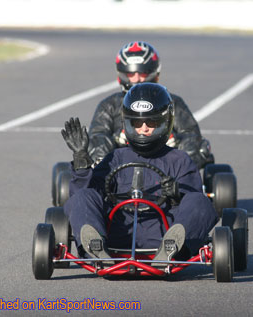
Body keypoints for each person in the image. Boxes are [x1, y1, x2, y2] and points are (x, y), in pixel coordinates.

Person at [62, 83, 218, 261]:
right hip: (117, 235)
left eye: (151, 122)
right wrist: (81, 160)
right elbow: (84, 195)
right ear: (127, 123)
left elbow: (193, 204)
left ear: (165, 123)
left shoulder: (179, 160)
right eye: (137, 123)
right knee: (83, 197)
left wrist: (176, 196)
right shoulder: (116, 157)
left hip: (163, 235)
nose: (143, 129)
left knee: (200, 200)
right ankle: (96, 247)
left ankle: (173, 249)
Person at [87, 41, 213, 169]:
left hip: (166, 168)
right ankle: (104, 179)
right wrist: (118, 138)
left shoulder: (172, 102)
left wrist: (173, 141)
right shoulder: (109, 105)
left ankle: (182, 179)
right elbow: (97, 136)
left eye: (142, 73)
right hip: (120, 169)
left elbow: (191, 134)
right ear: (122, 74)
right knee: (93, 146)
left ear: (154, 73)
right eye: (131, 74)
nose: (136, 79)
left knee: (200, 148)